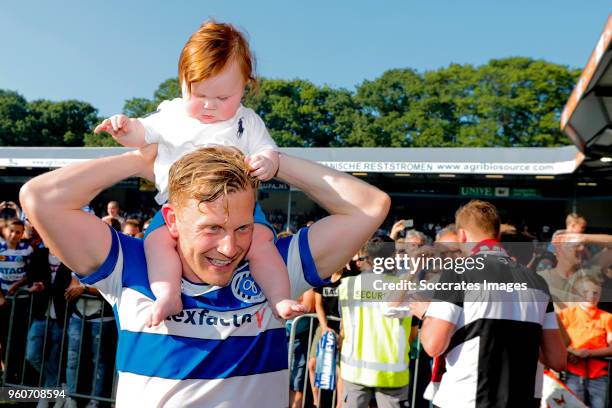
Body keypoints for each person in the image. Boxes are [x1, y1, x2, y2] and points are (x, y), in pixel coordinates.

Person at [19, 144, 390, 407]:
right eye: (212, 228)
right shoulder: (130, 265)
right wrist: (139, 160)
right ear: (173, 221)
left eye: (243, 227)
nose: (230, 248)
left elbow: (371, 206)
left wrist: (277, 165)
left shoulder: (275, 267)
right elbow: (39, 198)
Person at [94, 21, 301, 326]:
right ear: (182, 83)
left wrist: (267, 163)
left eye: (223, 98)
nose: (209, 105)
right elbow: (142, 132)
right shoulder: (171, 114)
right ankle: (167, 294)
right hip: (176, 209)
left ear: (246, 86)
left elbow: (268, 150)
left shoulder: (247, 122)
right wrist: (123, 129)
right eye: (199, 93)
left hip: (237, 211)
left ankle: (280, 297)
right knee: (156, 244)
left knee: (261, 244)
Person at [408, 200, 566, 408]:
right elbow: (557, 359)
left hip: (467, 399)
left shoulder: (459, 271)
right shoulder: (537, 281)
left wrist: (427, 313)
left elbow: (433, 345)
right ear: (496, 233)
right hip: (523, 399)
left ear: (462, 236)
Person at [338, 236, 414, 408]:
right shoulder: (403, 287)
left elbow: (344, 324)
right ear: (393, 256)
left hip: (354, 369)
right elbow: (412, 332)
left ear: (367, 257)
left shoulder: (348, 284)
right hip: (391, 371)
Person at [559, 276, 612, 408]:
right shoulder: (566, 315)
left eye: (595, 293)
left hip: (599, 376)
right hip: (572, 373)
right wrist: (572, 352)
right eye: (585, 292)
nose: (591, 296)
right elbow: (556, 341)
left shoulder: (607, 318)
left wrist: (589, 353)